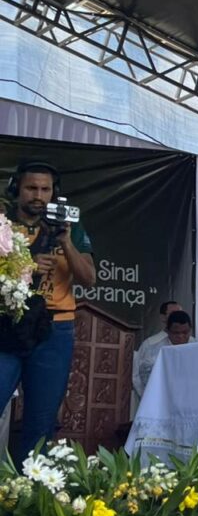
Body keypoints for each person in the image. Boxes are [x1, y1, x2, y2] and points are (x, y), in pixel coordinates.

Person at [0, 159, 95, 462]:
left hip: (55, 328)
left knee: (41, 422)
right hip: (7, 323)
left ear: (54, 193)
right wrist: (24, 265)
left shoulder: (69, 226)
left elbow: (89, 278)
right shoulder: (2, 224)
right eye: (31, 188)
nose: (38, 196)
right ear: (17, 188)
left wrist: (66, 241)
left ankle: (27, 488)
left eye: (45, 189)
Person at [133, 310, 196, 399]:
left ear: (190, 330)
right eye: (176, 333)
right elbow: (143, 378)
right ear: (167, 331)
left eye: (185, 332)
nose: (181, 336)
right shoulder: (154, 350)